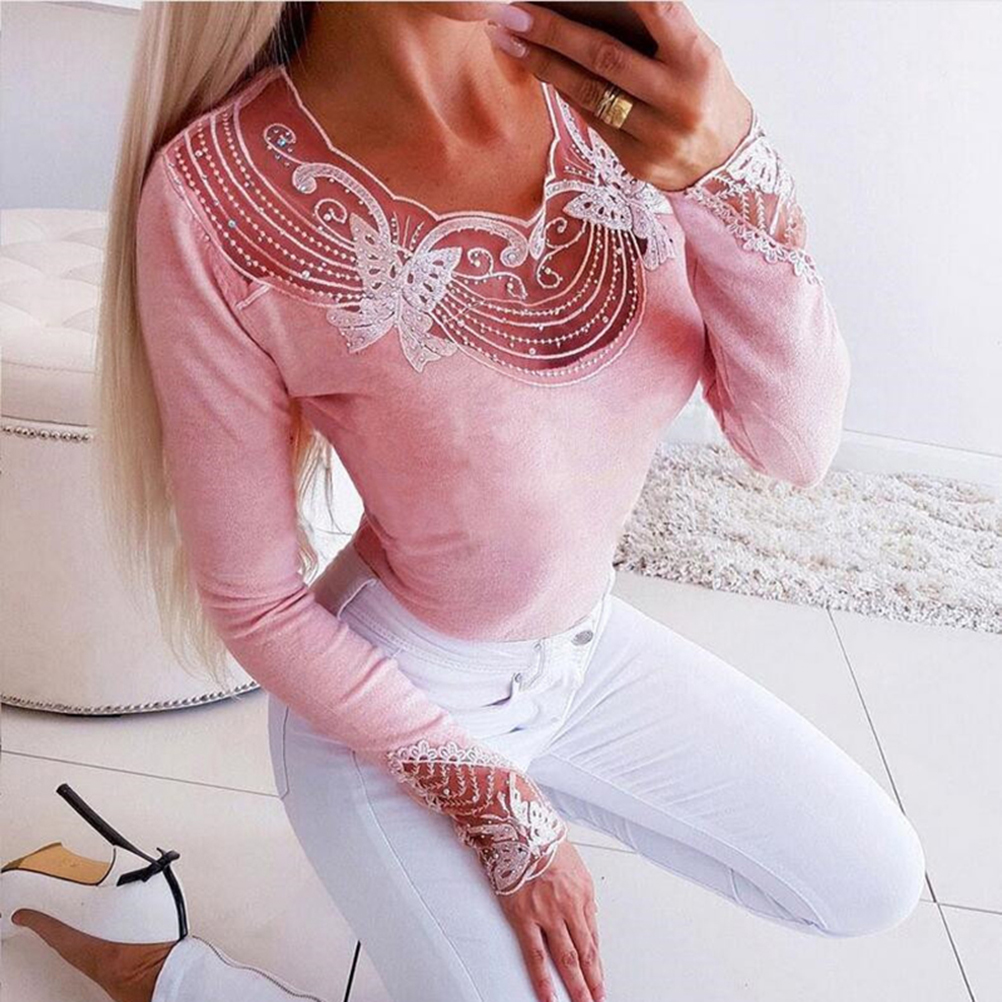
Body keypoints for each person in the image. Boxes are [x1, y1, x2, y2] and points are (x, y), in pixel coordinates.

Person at [8, 3, 926, 1002]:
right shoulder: (212, 197)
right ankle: (160, 969)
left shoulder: (617, 86)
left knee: (873, 881)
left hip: (583, 662)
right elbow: (255, 604)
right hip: (392, 704)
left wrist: (730, 167)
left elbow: (791, 448)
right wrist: (499, 812)